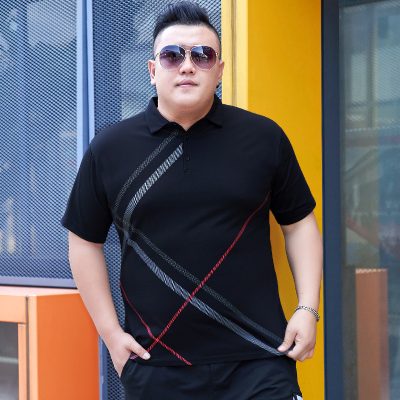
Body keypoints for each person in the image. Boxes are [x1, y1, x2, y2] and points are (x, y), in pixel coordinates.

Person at [61, 2, 322, 399]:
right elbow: (83, 240)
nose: (187, 66)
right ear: (153, 70)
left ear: (220, 70)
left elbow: (299, 223)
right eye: (172, 56)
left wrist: (307, 308)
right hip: (156, 366)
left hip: (260, 360)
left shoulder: (263, 138)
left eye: (202, 55)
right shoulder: (110, 148)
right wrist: (111, 334)